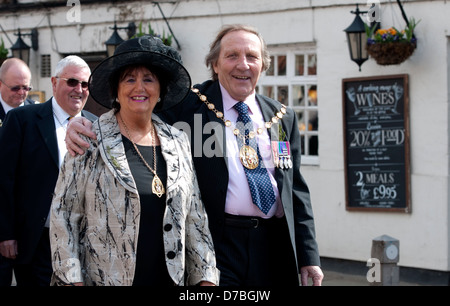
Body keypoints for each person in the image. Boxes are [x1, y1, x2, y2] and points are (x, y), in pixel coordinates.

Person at [66, 24, 323, 286]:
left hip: (274, 245)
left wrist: (308, 255)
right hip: (218, 245)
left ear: (263, 64)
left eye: (252, 57)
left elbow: (296, 191)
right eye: (232, 55)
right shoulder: (187, 105)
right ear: (215, 64)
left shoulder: (281, 116)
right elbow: (136, 109)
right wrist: (81, 122)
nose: (242, 65)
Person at [50, 35, 219, 286]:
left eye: (148, 79)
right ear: (116, 91)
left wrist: (206, 279)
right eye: (129, 79)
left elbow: (195, 217)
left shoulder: (178, 141)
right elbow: (63, 218)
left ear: (160, 91)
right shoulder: (89, 139)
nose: (139, 87)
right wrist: (74, 282)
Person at [0, 55, 96, 286]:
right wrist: (6, 234)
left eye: (85, 84)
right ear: (54, 83)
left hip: (84, 239)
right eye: (72, 82)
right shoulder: (22, 119)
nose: (79, 89)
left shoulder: (96, 125)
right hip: (37, 240)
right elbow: (4, 179)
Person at [0, 58, 35, 286]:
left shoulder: (37, 114)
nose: (21, 93)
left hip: (31, 226)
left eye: (26, 87)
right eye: (15, 87)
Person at [0, 58, 35, 124]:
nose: (21, 92)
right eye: (15, 88)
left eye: (25, 88)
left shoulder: (37, 112)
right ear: (0, 85)